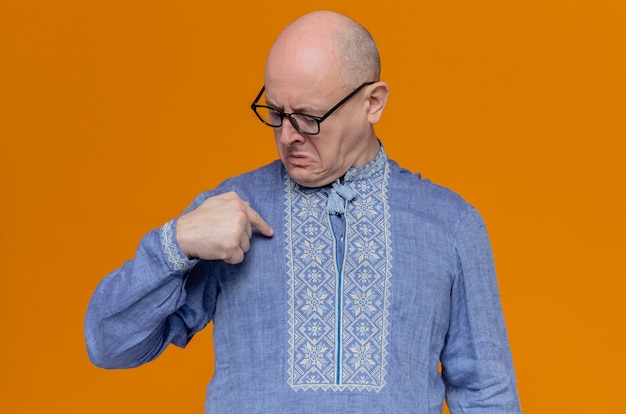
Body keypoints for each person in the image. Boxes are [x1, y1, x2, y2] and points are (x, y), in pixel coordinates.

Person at [85, 10, 521, 413]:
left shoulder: (450, 224)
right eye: (276, 113)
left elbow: (487, 393)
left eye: (310, 117)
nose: (288, 135)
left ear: (373, 102)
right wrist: (175, 243)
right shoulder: (232, 211)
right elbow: (110, 345)